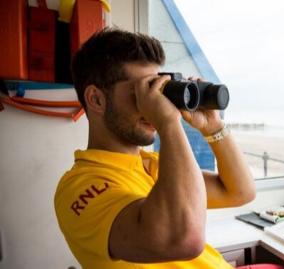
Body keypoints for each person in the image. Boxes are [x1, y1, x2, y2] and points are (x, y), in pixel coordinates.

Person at [54, 28, 256, 269]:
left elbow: (240, 192)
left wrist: (213, 127)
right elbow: (184, 239)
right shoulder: (78, 187)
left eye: (158, 90)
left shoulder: (151, 164)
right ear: (96, 99)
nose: (154, 102)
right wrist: (168, 123)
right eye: (142, 92)